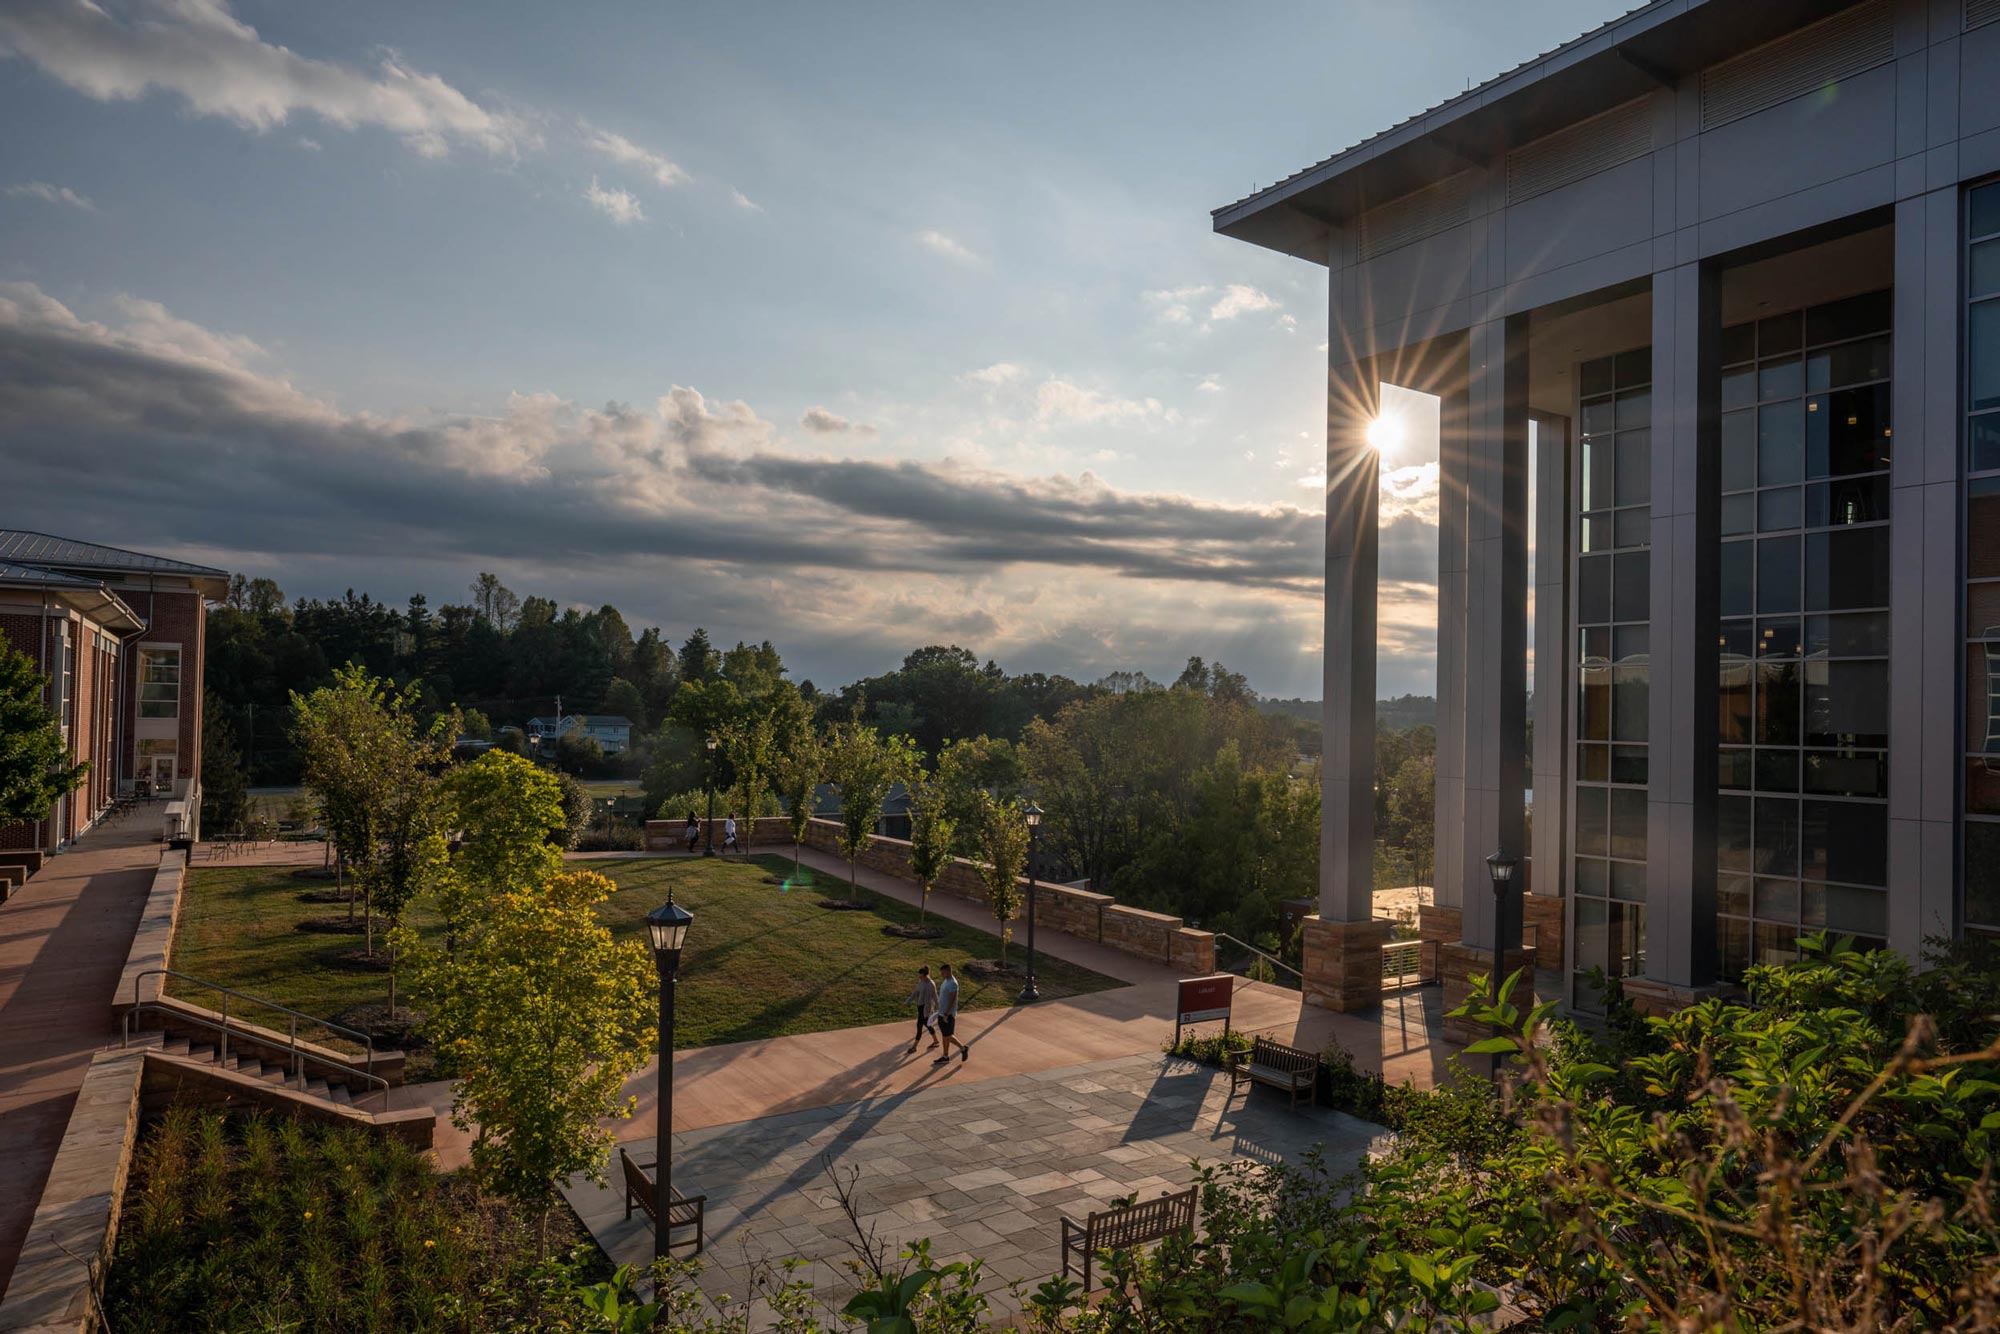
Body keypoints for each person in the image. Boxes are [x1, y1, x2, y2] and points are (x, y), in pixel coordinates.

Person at [933, 962, 968, 1065]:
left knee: (946, 1036)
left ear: (948, 971)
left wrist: (947, 1014)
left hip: (947, 1014)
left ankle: (945, 1056)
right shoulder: (946, 981)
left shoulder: (953, 983)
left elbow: (952, 998)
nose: (942, 975)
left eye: (943, 973)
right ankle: (963, 1048)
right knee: (948, 1035)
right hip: (942, 1013)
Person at [905, 965, 939, 1055]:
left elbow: (935, 997)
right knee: (927, 1024)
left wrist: (939, 1007)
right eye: (919, 976)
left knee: (919, 1026)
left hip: (926, 1008)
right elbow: (915, 992)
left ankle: (914, 1047)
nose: (920, 978)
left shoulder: (931, 984)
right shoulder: (920, 982)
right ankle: (936, 1040)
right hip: (920, 1006)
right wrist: (908, 1001)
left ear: (925, 975)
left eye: (921, 976)